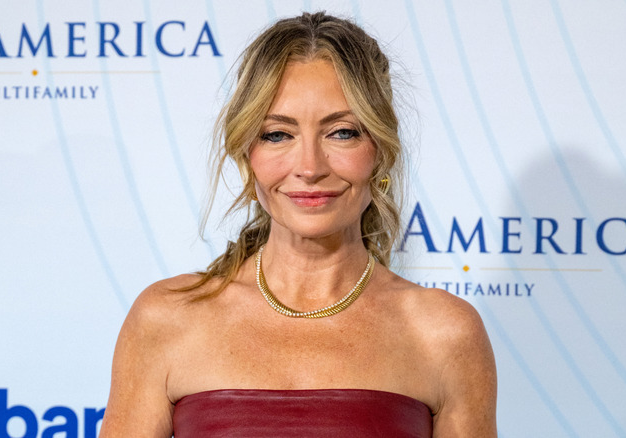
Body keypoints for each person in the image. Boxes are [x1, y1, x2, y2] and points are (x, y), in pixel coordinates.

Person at [99, 11, 496, 438]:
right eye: (277, 134)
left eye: (341, 132)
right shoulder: (166, 318)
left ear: (379, 150)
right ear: (247, 155)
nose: (309, 167)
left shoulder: (444, 333)